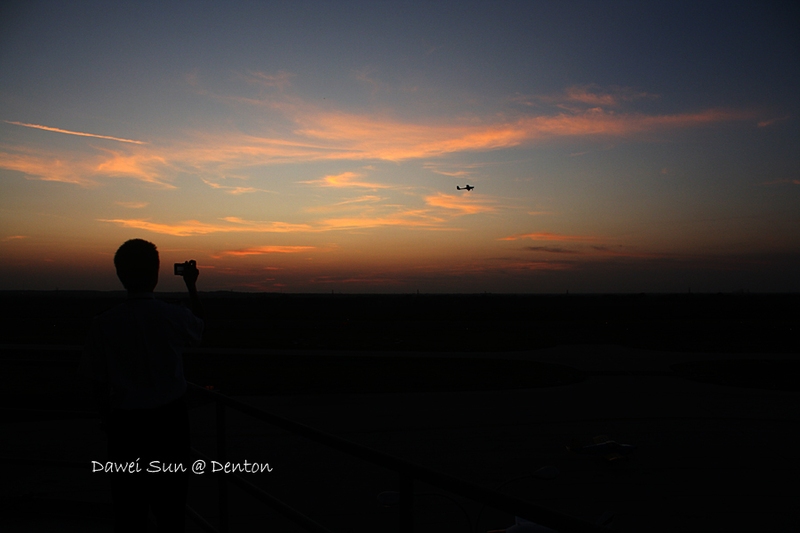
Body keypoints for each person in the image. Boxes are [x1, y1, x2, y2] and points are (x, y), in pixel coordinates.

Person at [79, 239, 204, 532]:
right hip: (169, 425)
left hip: (125, 428)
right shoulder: (172, 316)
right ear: (157, 274)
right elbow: (199, 327)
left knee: (129, 510)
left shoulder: (103, 323)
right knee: (171, 510)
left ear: (121, 275)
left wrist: (106, 418)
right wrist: (192, 286)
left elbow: (95, 379)